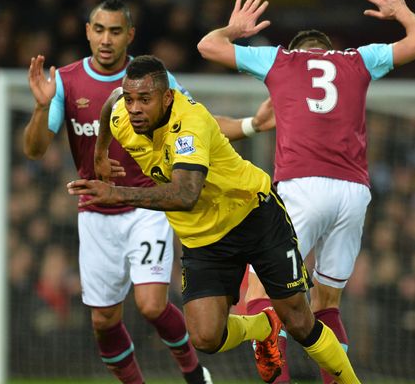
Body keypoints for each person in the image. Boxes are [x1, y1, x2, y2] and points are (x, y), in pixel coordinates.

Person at [197, 0, 415, 384]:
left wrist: (233, 30)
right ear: (330, 51)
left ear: (297, 51)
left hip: (301, 187)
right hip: (353, 193)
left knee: (260, 294)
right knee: (327, 304)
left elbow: (208, 46)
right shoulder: (358, 59)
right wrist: (400, 11)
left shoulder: (279, 60)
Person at [68, 55, 362, 384]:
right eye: (131, 98)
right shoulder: (123, 110)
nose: (135, 108)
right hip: (202, 239)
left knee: (299, 322)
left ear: (167, 98)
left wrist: (116, 193)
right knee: (205, 337)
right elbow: (111, 103)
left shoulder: (189, 123)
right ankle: (263, 326)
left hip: (253, 215)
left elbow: (185, 194)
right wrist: (100, 153)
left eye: (145, 100)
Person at [23, 0, 211, 384]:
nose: (106, 39)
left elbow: (198, 121)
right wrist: (42, 109)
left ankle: (195, 375)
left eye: (115, 31)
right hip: (96, 213)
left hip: (147, 205)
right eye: (99, 30)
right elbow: (35, 149)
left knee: (151, 305)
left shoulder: (153, 80)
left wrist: (243, 125)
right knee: (104, 319)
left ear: (130, 35)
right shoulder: (67, 81)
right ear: (88, 32)